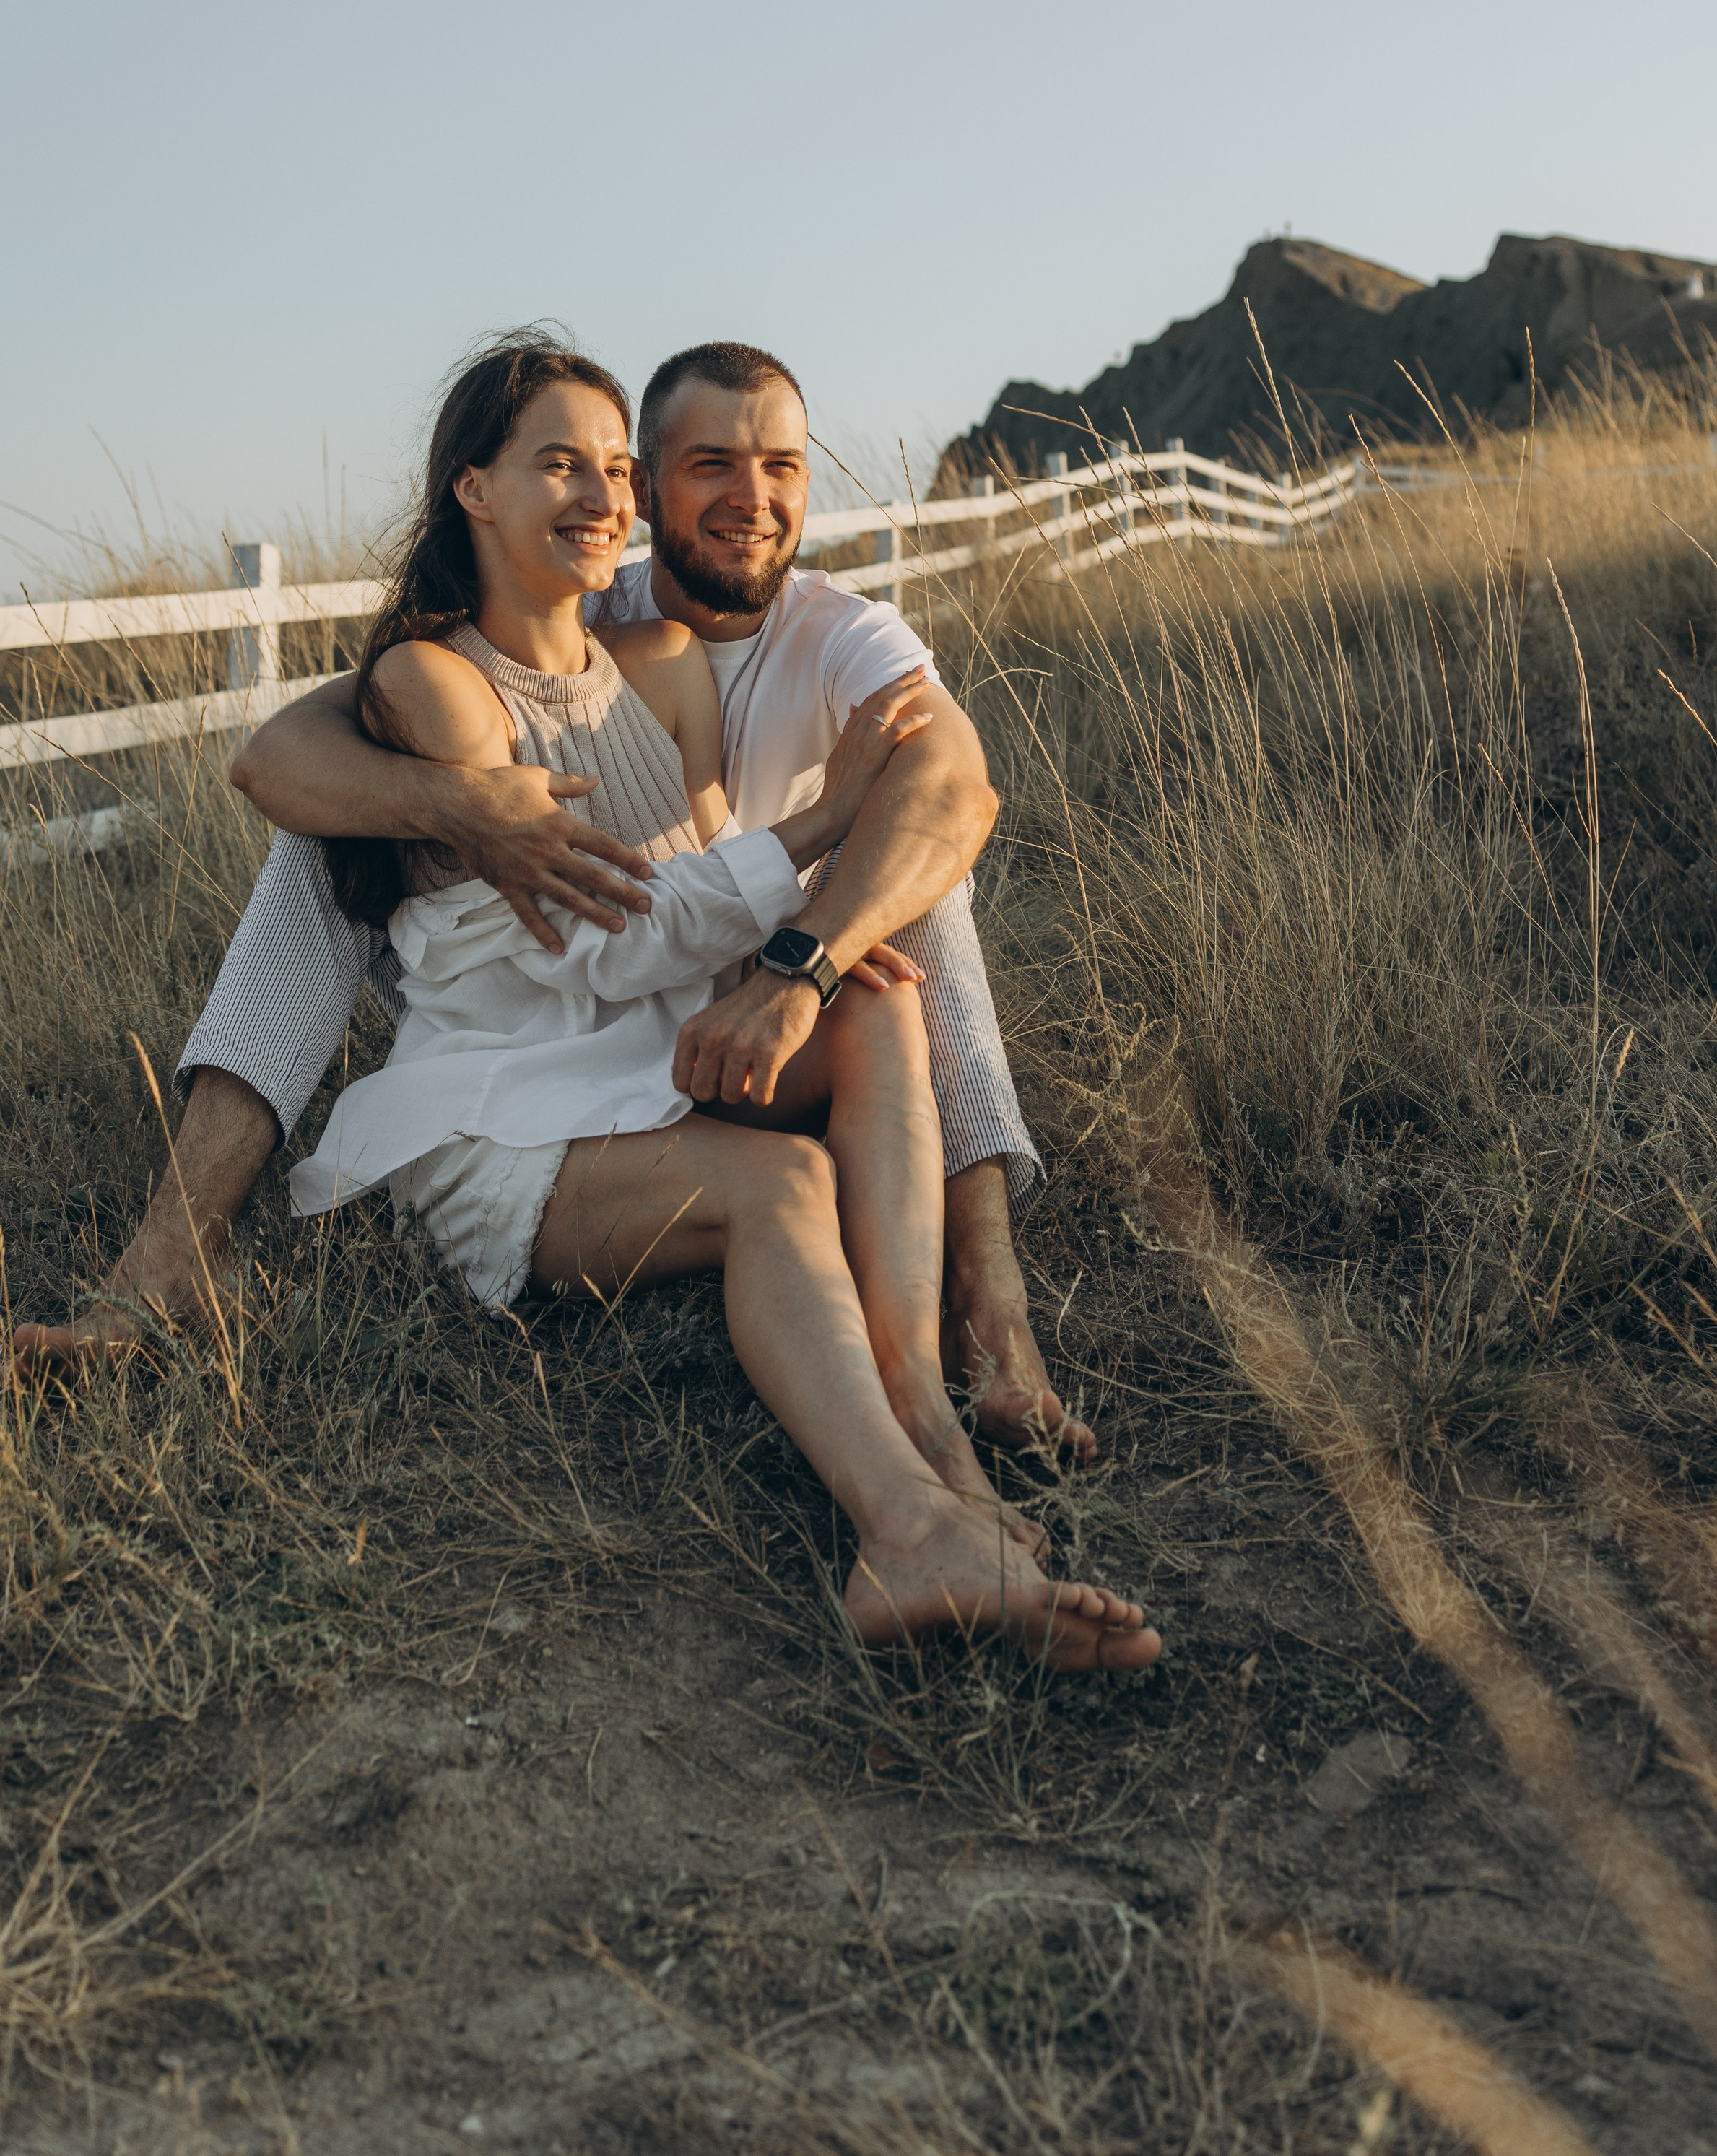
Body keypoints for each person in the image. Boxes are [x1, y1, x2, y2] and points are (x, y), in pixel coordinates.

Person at [17, 336, 1092, 1464]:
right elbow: (285, 754)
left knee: (913, 880)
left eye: (781, 467)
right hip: (576, 963)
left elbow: (955, 789)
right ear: (656, 481)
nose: (752, 498)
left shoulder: (839, 630)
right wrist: (467, 806)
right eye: (706, 464)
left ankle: (989, 1302)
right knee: (333, 832)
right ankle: (172, 1253)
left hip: (758, 958)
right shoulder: (579, 594)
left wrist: (805, 959)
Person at [274, 337, 1156, 1668]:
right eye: (560, 462)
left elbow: (687, 900)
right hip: (504, 1110)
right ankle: (910, 1529)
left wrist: (793, 968)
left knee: (872, 999)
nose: (600, 494)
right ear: (474, 488)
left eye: (614, 468)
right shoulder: (432, 685)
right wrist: (827, 818)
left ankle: (924, 1419)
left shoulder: (661, 656)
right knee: (779, 1190)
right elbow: (596, 947)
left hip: (632, 1051)